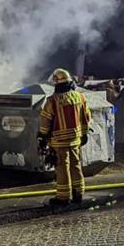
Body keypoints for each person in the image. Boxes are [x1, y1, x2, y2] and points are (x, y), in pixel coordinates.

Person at [39, 68, 91, 207]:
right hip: (75, 139)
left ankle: (63, 197)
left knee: (62, 168)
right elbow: (86, 116)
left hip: (59, 141)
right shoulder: (80, 97)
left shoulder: (52, 101)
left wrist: (42, 136)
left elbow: (45, 120)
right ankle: (78, 193)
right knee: (76, 165)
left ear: (57, 83)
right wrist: (84, 133)